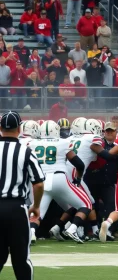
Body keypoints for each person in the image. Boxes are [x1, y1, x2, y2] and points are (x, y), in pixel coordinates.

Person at [28, 120, 92, 244]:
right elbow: (79, 164)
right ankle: (72, 228)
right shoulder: (63, 142)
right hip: (59, 178)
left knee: (37, 211)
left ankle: (31, 233)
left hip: (41, 181)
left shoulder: (32, 143)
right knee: (86, 204)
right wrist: (77, 180)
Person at [0, 110, 44, 280]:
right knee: (21, 259)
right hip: (16, 208)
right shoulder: (25, 151)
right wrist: (36, 206)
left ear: (0, 127)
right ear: (19, 129)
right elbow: (38, 183)